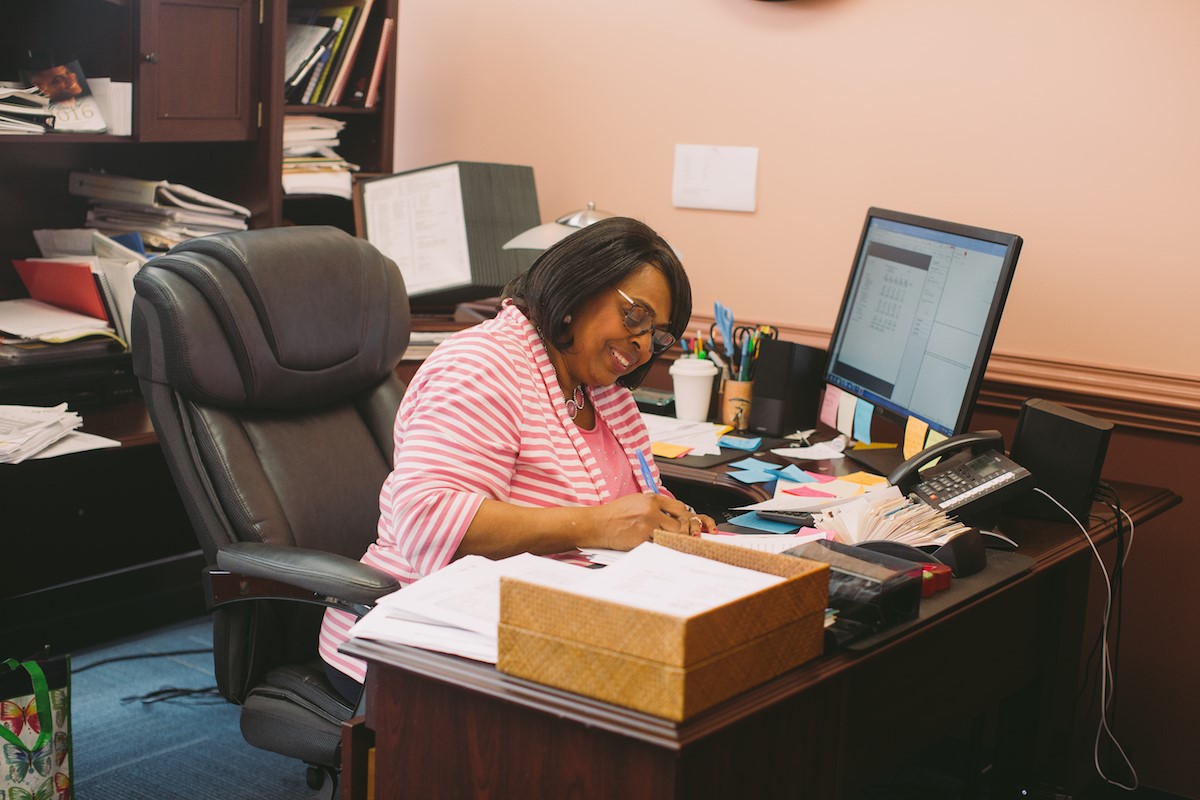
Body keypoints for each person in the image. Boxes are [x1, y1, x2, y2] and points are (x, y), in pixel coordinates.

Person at [318, 216, 717, 698]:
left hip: (545, 628)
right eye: (636, 317)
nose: (642, 344)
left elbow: (639, 502)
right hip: (422, 639)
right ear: (580, 285)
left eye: (657, 336)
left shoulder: (607, 396)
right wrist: (597, 525)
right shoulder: (481, 365)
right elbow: (430, 521)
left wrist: (674, 521)